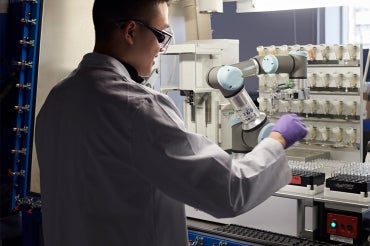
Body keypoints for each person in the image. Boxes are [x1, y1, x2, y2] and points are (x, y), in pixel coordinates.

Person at [35, 0, 308, 245]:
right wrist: (278, 139)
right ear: (130, 31)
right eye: (161, 35)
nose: (161, 49)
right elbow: (230, 190)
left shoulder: (58, 99)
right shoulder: (137, 106)